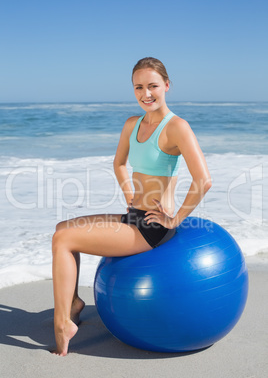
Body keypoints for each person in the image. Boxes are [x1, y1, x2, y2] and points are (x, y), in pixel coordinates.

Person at [52, 57, 212, 356]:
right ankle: (73, 303)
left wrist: (175, 219)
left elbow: (203, 180)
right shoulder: (132, 124)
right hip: (134, 215)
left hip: (153, 227)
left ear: (167, 85)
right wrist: (130, 194)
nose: (146, 93)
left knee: (63, 239)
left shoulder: (176, 127)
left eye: (153, 86)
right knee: (62, 229)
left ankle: (63, 323)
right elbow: (119, 163)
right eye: (139, 87)